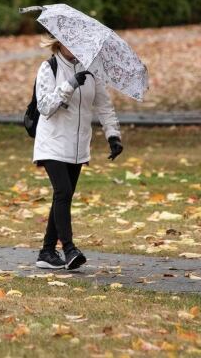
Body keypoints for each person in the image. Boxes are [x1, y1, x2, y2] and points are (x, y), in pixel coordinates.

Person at [33, 35, 123, 270]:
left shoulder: (92, 70)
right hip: (52, 143)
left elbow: (103, 105)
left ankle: (46, 252)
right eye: (69, 42)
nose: (75, 47)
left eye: (78, 42)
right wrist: (69, 85)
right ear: (58, 43)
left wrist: (112, 135)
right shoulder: (48, 67)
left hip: (78, 146)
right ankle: (70, 249)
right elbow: (44, 107)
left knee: (63, 196)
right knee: (62, 192)